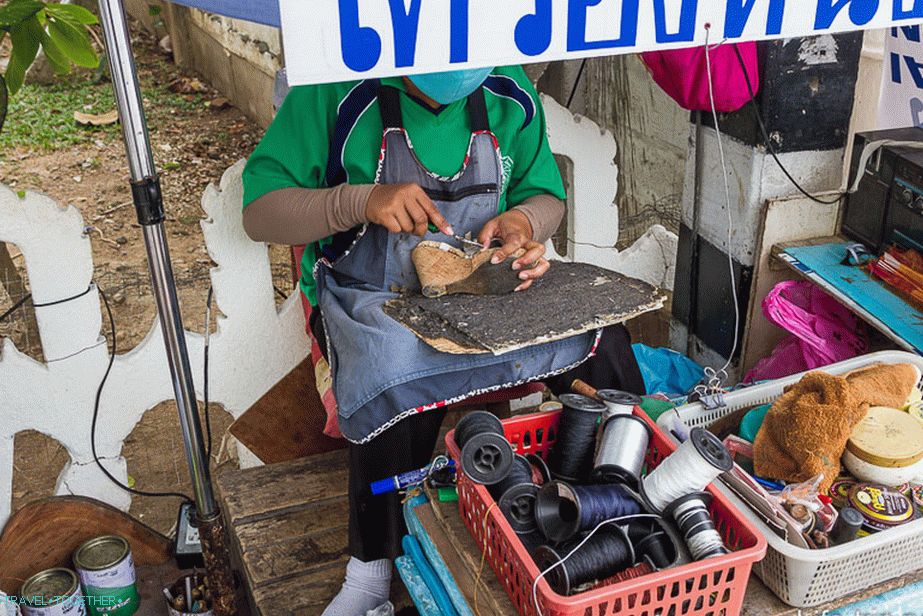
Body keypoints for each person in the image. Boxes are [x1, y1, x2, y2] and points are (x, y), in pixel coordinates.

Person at [242, 66, 644, 615]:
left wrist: (523, 223)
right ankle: (370, 570)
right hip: (374, 294)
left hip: (486, 284)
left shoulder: (508, 88)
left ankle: (622, 500)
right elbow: (260, 213)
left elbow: (545, 195)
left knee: (601, 337)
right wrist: (358, 201)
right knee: (387, 366)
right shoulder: (333, 87)